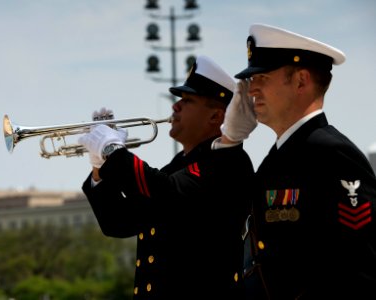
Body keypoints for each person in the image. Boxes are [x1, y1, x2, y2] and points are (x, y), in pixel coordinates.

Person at [77, 55, 255, 299]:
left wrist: (112, 151)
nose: (175, 106)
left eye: (188, 100)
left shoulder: (227, 163)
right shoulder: (179, 166)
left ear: (215, 117)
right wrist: (100, 166)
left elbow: (167, 194)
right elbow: (118, 222)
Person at [220, 23, 376, 299]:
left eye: (262, 77)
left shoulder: (331, 154)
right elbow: (227, 213)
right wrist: (229, 142)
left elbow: (357, 270)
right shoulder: (279, 158)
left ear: (301, 81)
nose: (251, 89)